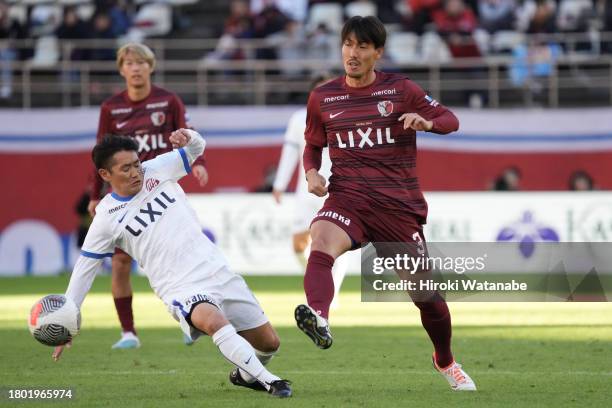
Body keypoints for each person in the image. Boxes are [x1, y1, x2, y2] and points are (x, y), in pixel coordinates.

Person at [293, 16, 476, 391]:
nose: (353, 53)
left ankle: (445, 360)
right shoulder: (323, 97)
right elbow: (312, 144)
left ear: (378, 52)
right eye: (347, 44)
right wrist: (312, 173)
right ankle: (319, 317)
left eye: (362, 46)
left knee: (428, 298)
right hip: (348, 197)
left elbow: (450, 119)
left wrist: (426, 123)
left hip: (396, 205)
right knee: (322, 240)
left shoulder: (402, 89)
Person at [53, 131, 292, 398]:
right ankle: (273, 383)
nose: (135, 173)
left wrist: (189, 136)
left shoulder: (158, 169)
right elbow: (84, 271)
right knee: (213, 321)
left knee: (269, 343)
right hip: (179, 287)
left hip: (217, 270)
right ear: (105, 174)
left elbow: (198, 148)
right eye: (125, 168)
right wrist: (67, 321)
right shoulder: (105, 219)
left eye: (136, 165)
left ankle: (246, 376)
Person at [88, 43, 209, 349]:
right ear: (121, 69)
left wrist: (200, 163)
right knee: (118, 264)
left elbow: (188, 134)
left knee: (180, 260)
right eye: (130, 63)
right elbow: (101, 155)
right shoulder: (111, 108)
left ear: (151, 67)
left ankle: (191, 317)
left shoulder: (168, 101)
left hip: (159, 192)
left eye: (142, 62)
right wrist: (94, 195)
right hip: (127, 199)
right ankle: (128, 332)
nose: (136, 68)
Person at [272, 76, 348, 308]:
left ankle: (329, 294)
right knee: (298, 245)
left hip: (337, 189)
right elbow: (290, 152)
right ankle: (319, 281)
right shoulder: (298, 119)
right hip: (306, 191)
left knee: (338, 245)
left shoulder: (346, 114)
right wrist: (279, 184)